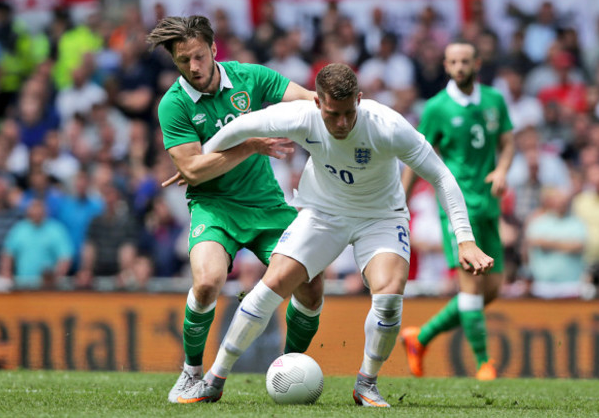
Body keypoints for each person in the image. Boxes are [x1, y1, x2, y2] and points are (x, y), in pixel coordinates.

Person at [174, 63, 493, 407]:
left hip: (380, 217)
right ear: (317, 104)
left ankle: (366, 384)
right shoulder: (299, 116)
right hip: (322, 213)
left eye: (347, 113)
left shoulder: (387, 126)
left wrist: (466, 239)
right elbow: (239, 127)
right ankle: (214, 379)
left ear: (359, 99)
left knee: (388, 299)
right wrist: (199, 166)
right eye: (332, 115)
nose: (341, 123)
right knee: (272, 284)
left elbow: (442, 177)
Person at [145, 15, 323, 402]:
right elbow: (192, 170)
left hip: (266, 204)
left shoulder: (250, 78)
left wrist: (340, 107)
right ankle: (191, 372)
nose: (193, 68)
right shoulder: (173, 105)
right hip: (214, 206)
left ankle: (289, 366)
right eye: (183, 62)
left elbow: (308, 97)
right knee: (207, 281)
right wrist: (248, 145)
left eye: (198, 57)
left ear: (213, 49)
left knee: (311, 285)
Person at [400, 42, 515, 380]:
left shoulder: (494, 100)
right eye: (453, 62)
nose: (460, 67)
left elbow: (507, 141)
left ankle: (419, 338)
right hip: (457, 209)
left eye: (465, 61)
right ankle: (484, 362)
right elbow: (416, 156)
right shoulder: (436, 108)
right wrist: (401, 203)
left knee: (492, 288)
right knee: (472, 287)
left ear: (477, 63)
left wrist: (503, 169)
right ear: (446, 66)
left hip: (489, 204)